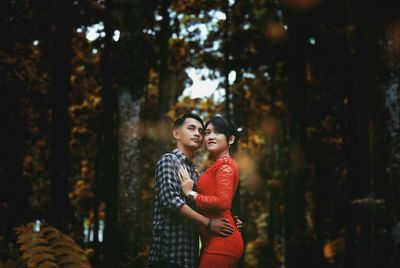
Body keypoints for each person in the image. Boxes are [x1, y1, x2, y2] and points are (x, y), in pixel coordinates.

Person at [148, 112, 242, 268]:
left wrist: (231, 219)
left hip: (189, 257)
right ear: (176, 133)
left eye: (200, 131)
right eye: (192, 129)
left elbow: (210, 202)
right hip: (168, 255)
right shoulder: (169, 160)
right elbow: (171, 201)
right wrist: (210, 223)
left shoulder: (195, 172)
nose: (198, 134)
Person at [179, 116, 244, 268]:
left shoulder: (226, 166)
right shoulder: (217, 166)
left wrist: (191, 193)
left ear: (231, 139)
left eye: (217, 132)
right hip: (214, 240)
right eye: (207, 133)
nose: (210, 137)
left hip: (222, 241)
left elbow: (223, 202)